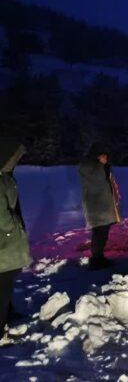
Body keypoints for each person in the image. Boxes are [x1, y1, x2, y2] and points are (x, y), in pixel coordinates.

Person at [0, 139, 32, 340]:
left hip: (6, 243)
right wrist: (14, 228)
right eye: (14, 157)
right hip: (4, 243)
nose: (16, 161)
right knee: (2, 289)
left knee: (5, 286)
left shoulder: (5, 177)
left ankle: (6, 316)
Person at [78, 142, 121, 270]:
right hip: (97, 207)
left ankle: (99, 257)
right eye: (103, 155)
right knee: (99, 233)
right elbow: (97, 181)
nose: (106, 158)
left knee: (102, 233)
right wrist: (102, 166)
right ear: (97, 155)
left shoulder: (98, 167)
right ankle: (96, 260)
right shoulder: (89, 167)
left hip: (103, 206)